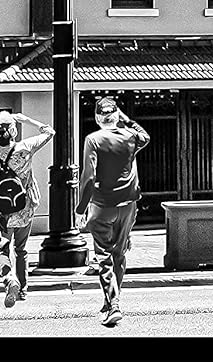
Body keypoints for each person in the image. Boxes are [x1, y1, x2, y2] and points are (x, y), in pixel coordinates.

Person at [75, 97, 151, 328]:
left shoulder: (93, 140)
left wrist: (80, 209)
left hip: (102, 205)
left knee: (104, 256)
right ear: (117, 116)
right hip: (128, 205)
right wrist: (126, 120)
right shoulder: (130, 137)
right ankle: (112, 299)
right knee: (119, 254)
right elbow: (145, 136)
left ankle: (113, 304)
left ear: (98, 118)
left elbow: (88, 178)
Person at [0, 109, 54, 308]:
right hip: (25, 206)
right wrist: (27, 120)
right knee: (21, 249)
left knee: (1, 248)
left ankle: (9, 279)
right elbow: (50, 132)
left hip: (4, 210)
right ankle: (22, 289)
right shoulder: (25, 148)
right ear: (13, 130)